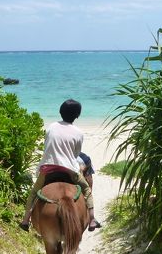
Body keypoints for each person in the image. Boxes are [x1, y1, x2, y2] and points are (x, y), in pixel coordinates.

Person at [19, 99, 102, 232]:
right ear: (77, 115)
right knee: (87, 190)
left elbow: (47, 146)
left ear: (60, 112)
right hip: (69, 170)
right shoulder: (78, 133)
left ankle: (25, 220)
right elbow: (75, 154)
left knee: (34, 193)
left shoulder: (51, 127)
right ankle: (92, 219)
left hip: (48, 168)